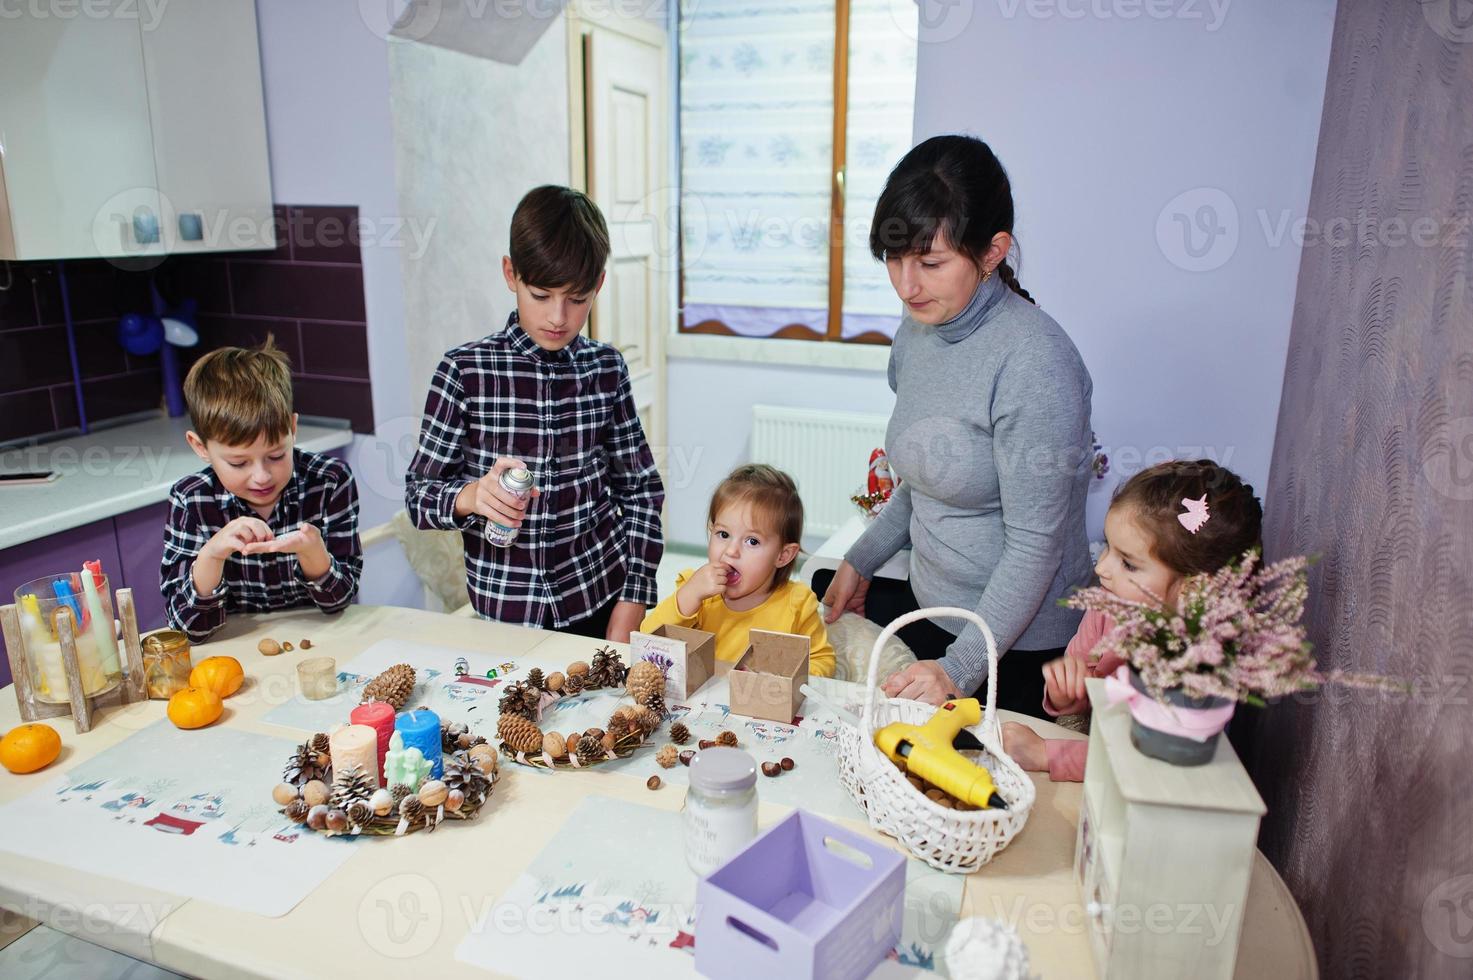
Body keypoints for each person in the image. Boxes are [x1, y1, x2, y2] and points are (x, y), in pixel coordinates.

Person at [817, 134, 1093, 715]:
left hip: (1014, 650)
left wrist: (958, 669)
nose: (905, 284)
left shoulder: (1036, 363)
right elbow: (923, 480)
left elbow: (1034, 545)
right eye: (894, 259)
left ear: (993, 252)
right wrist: (858, 561)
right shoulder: (918, 328)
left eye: (930, 263)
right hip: (935, 617)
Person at [404, 185, 664, 642]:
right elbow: (419, 498)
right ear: (511, 273)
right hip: (506, 615)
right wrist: (471, 496)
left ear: (599, 284)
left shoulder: (606, 368)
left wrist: (633, 599)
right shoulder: (464, 372)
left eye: (577, 298)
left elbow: (640, 491)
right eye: (541, 295)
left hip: (599, 599)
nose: (559, 317)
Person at [1002, 460, 1264, 780]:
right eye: (1108, 548)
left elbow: (1149, 763)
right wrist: (1065, 694)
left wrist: (1047, 753)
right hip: (1094, 740)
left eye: (1128, 563)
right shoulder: (1107, 605)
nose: (1101, 569)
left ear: (1193, 588)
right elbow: (1080, 700)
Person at [161, 338, 362, 642]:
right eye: (238, 463)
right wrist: (212, 555)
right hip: (235, 651)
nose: (261, 476)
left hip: (321, 642)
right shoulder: (191, 500)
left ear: (293, 430)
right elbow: (187, 627)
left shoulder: (330, 481)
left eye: (276, 456)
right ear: (200, 447)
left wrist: (313, 554)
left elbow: (338, 602)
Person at [641, 465, 835, 677]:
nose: (731, 551)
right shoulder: (695, 590)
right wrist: (689, 596)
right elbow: (647, 640)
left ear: (783, 555)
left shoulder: (797, 603)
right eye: (723, 534)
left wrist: (787, 677)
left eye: (752, 541)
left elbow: (822, 661)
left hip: (764, 705)